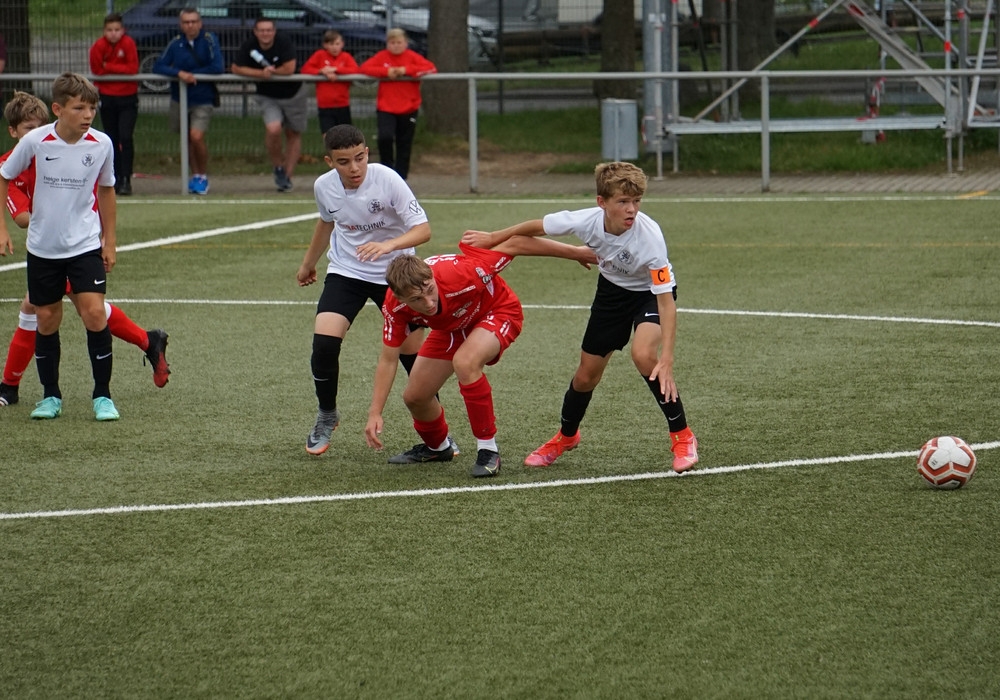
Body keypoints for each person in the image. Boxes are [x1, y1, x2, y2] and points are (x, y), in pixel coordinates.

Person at [461, 162, 699, 473]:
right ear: (602, 202)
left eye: (637, 201)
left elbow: (666, 304)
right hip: (611, 294)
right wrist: (494, 237)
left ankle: (682, 436)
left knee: (644, 355)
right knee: (586, 376)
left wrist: (666, 359)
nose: (631, 209)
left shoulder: (650, 239)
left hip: (648, 296)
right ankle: (566, 436)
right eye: (623, 201)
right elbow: (536, 227)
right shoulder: (586, 221)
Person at [365, 237, 596, 478]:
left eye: (430, 291)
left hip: (498, 311)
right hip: (453, 327)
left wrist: (575, 252)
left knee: (465, 362)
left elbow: (516, 244)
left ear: (432, 277)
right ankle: (438, 448)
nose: (429, 302)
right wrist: (375, 412)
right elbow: (388, 359)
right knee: (415, 397)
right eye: (416, 300)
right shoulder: (394, 307)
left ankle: (488, 450)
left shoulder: (463, 272)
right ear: (399, 297)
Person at [0, 92, 170, 408]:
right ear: (14, 132)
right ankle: (148, 341)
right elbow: (23, 218)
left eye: (39, 126)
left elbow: (99, 188)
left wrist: (90, 227)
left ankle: (11, 386)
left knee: (80, 310)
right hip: (48, 245)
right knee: (67, 309)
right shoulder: (17, 162)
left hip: (78, 243)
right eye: (27, 129)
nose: (35, 134)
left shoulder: (71, 147)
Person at [296, 124, 443, 456]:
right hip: (347, 271)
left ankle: (438, 434)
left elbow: (423, 230)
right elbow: (326, 222)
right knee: (324, 345)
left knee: (413, 359)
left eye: (359, 158)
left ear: (367, 153)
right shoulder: (323, 187)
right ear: (329, 162)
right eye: (344, 162)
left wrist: (387, 245)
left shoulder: (387, 179)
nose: (354, 168)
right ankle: (327, 414)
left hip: (396, 275)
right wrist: (308, 263)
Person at [0, 74, 120, 420]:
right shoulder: (36, 141)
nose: (88, 115)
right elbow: (4, 176)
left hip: (85, 244)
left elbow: (107, 190)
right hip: (43, 248)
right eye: (79, 108)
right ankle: (50, 396)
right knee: (47, 318)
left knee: (95, 313)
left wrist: (110, 241)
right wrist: (2, 229)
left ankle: (103, 396)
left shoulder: (101, 143)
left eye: (92, 108)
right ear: (58, 109)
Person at [232, 17, 308, 193]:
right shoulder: (249, 45)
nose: (265, 34)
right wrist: (261, 74)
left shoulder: (284, 42)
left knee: (293, 133)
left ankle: (286, 178)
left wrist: (273, 73)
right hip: (267, 95)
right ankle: (278, 167)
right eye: (261, 30)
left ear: (274, 31)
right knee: (273, 129)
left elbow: (289, 68)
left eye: (268, 30)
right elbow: (236, 68)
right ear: (255, 32)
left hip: (293, 93)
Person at [152, 7, 224, 196]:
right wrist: (179, 73)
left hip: (203, 98)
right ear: (181, 25)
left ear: (200, 23)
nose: (190, 25)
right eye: (186, 22)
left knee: (196, 136)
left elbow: (217, 66)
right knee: (187, 139)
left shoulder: (209, 40)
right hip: (180, 98)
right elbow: (158, 65)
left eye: (193, 21)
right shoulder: (176, 43)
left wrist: (194, 75)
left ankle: (203, 175)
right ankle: (195, 176)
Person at [359, 28, 436, 180]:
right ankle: (386, 173)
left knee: (404, 144)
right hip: (386, 107)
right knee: (385, 137)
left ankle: (401, 178)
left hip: (408, 107)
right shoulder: (382, 56)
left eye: (399, 42)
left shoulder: (412, 57)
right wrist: (386, 72)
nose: (395, 45)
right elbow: (364, 68)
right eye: (392, 42)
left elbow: (430, 68)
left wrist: (406, 70)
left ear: (405, 43)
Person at [89, 12, 139, 196]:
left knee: (126, 137)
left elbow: (132, 68)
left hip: (128, 97)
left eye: (117, 29)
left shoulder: (128, 44)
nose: (113, 33)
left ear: (122, 30)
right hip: (107, 97)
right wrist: (115, 69)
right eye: (109, 30)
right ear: (104, 31)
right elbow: (97, 70)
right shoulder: (98, 46)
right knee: (111, 139)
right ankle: (115, 177)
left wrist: (109, 66)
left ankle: (126, 178)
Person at [300, 29, 358, 136]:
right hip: (325, 105)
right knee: (328, 136)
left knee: (345, 137)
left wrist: (336, 69)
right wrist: (321, 71)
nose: (334, 47)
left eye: (337, 44)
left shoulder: (346, 57)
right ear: (325, 45)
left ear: (342, 44)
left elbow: (355, 70)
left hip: (342, 104)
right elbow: (305, 69)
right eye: (331, 44)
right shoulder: (319, 55)